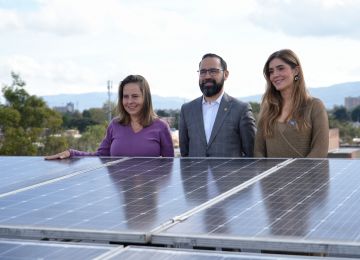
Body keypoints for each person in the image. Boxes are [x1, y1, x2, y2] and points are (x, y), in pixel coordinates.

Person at [45, 74, 174, 159]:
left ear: (145, 98)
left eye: (135, 96)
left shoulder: (160, 127)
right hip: (121, 195)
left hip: (148, 194)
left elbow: (170, 167)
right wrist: (71, 153)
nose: (129, 101)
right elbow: (100, 156)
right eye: (125, 96)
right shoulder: (115, 125)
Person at [255, 49, 329, 158]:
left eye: (280, 69)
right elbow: (258, 151)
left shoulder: (315, 106)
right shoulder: (268, 108)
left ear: (296, 71)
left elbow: (319, 151)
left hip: (306, 174)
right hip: (271, 175)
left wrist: (296, 174)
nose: (275, 75)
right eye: (271, 71)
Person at [179, 53, 256, 157]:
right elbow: (184, 153)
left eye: (213, 71)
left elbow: (251, 153)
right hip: (196, 173)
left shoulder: (241, 109)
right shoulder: (187, 110)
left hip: (231, 173)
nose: (207, 76)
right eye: (203, 72)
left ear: (226, 74)